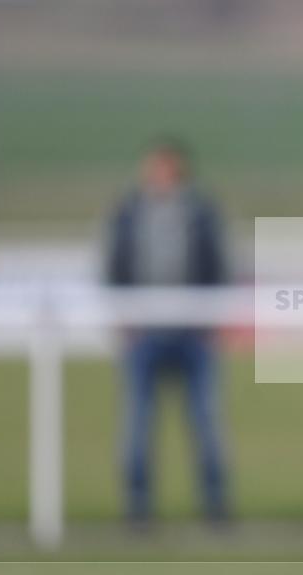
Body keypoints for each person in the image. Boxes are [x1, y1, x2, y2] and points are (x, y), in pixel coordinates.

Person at [106, 137, 229, 524]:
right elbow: (114, 267)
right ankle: (138, 510)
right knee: (138, 425)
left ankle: (215, 508)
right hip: (144, 336)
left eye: (168, 168)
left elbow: (218, 268)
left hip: (193, 335)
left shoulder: (201, 213)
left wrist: (209, 319)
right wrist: (124, 318)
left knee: (207, 423)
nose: (160, 175)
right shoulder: (128, 213)